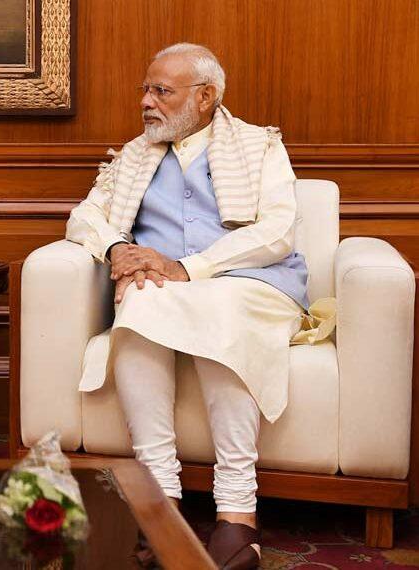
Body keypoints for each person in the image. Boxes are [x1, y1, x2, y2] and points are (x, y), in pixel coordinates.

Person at [66, 43, 308, 569]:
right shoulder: (134, 156)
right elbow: (84, 216)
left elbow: (277, 232)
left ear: (205, 97)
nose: (147, 103)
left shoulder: (259, 147)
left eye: (162, 91)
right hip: (168, 290)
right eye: (145, 91)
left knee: (220, 309)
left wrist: (189, 268)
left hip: (252, 284)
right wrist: (117, 249)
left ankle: (238, 513)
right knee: (136, 301)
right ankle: (159, 501)